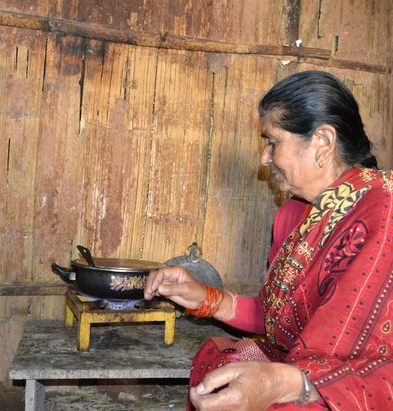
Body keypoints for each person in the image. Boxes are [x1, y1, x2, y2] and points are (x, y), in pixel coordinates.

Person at [144, 70, 392, 411]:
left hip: (356, 394)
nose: (264, 157)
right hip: (299, 371)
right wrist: (202, 296)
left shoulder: (384, 212)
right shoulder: (292, 215)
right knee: (224, 367)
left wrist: (283, 383)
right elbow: (277, 319)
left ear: (322, 141)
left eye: (272, 142)